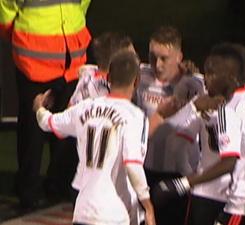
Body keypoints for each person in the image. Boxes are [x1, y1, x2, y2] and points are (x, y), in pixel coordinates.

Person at [152, 43, 245, 225]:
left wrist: (184, 181)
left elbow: (228, 160)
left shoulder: (225, 108)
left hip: (229, 196)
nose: (206, 78)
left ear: (231, 77)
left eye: (211, 73)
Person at [33, 51, 156, 225]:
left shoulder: (84, 107)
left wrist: (39, 107)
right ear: (136, 81)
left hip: (84, 210)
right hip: (115, 213)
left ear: (108, 78)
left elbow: (48, 122)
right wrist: (148, 207)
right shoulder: (135, 117)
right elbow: (133, 165)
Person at [0, 0, 91, 208]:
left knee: (65, 128)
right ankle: (31, 190)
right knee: (33, 132)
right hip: (35, 60)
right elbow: (6, 9)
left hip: (69, 59)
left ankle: (54, 186)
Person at [134, 25, 205, 225]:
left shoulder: (196, 84)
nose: (157, 64)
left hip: (179, 175)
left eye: (164, 58)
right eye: (152, 56)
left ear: (179, 57)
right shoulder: (140, 76)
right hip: (145, 170)